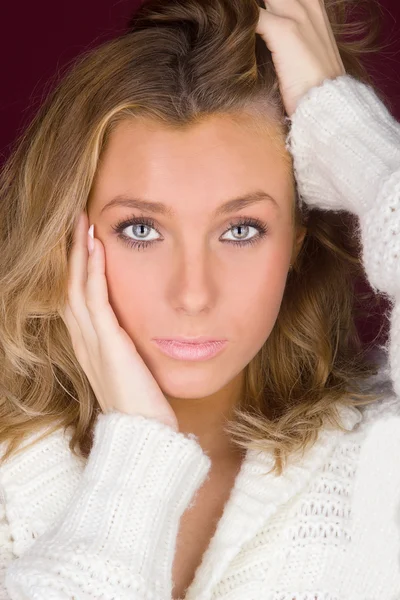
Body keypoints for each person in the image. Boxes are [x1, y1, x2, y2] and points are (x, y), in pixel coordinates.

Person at [0, 0, 399, 597]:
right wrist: (136, 458)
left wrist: (346, 130)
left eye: (241, 229)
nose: (192, 293)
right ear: (65, 238)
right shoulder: (13, 481)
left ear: (296, 239)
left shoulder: (376, 461)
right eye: (141, 229)